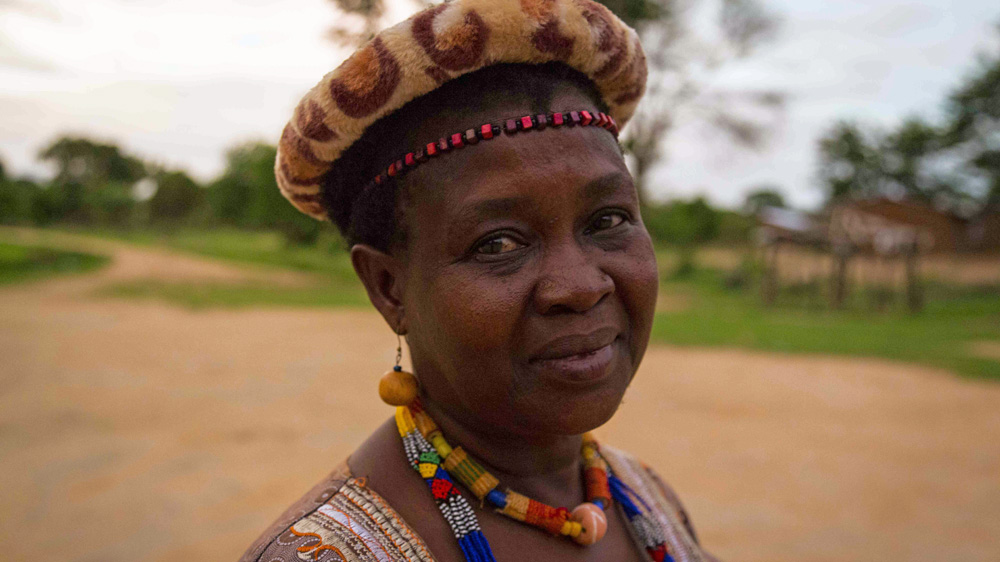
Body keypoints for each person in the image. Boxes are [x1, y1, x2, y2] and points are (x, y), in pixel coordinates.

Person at [241, 0, 717, 560]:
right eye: (498, 244)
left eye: (607, 220)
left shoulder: (649, 501)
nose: (581, 286)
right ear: (388, 288)